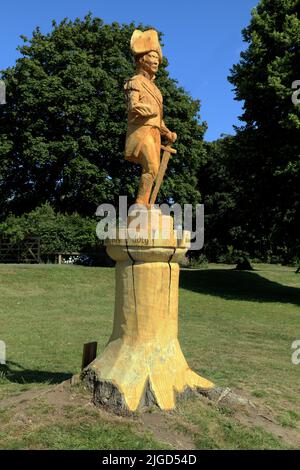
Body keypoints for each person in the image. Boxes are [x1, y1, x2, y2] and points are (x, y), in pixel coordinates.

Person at [124, 29, 177, 207]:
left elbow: (158, 117)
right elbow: (133, 107)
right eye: (152, 56)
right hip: (142, 131)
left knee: (151, 171)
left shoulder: (156, 90)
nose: (156, 61)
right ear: (141, 59)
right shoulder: (135, 81)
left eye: (157, 58)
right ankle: (140, 204)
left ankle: (144, 203)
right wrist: (149, 111)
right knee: (152, 167)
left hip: (154, 131)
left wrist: (167, 132)